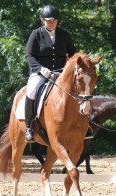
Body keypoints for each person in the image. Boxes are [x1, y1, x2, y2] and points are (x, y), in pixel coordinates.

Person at [24, 4, 93, 143]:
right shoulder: (36, 34)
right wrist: (40, 69)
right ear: (42, 20)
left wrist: (77, 65)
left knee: (83, 89)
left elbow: (74, 54)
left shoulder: (64, 34)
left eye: (54, 20)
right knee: (31, 91)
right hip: (41, 73)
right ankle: (30, 127)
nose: (52, 23)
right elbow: (29, 56)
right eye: (49, 20)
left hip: (61, 73)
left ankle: (85, 125)